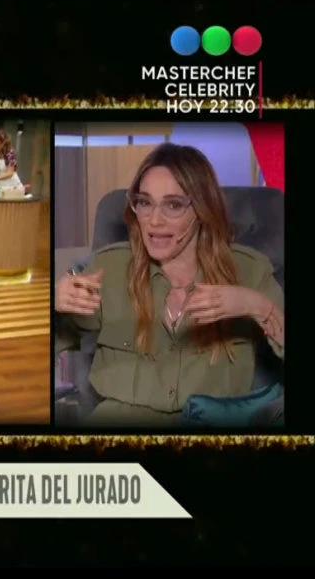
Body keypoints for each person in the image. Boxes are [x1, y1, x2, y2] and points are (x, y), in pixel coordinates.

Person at [54, 143, 285, 426]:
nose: (154, 220)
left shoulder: (250, 270)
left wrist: (257, 306)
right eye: (145, 202)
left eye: (173, 205)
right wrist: (53, 303)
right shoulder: (108, 269)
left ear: (202, 209)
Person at [0, 129, 29, 193]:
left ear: (3, 143)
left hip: (13, 186)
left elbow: (10, 173)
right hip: (2, 186)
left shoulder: (10, 155)